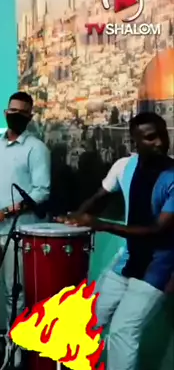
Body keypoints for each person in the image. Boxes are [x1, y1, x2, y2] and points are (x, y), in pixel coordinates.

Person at [61, 112, 174, 370]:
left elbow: (157, 230)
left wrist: (102, 225)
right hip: (128, 259)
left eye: (161, 135)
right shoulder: (124, 166)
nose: (159, 142)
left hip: (158, 266)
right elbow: (100, 195)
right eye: (150, 138)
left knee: (123, 331)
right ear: (135, 142)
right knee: (90, 320)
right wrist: (76, 216)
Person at [0, 91, 51, 364]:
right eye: (12, 111)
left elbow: (41, 192)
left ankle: (14, 346)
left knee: (14, 291)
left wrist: (5, 212)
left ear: (30, 116)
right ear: (5, 113)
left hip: (18, 231)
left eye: (22, 112)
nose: (16, 115)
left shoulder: (36, 149)